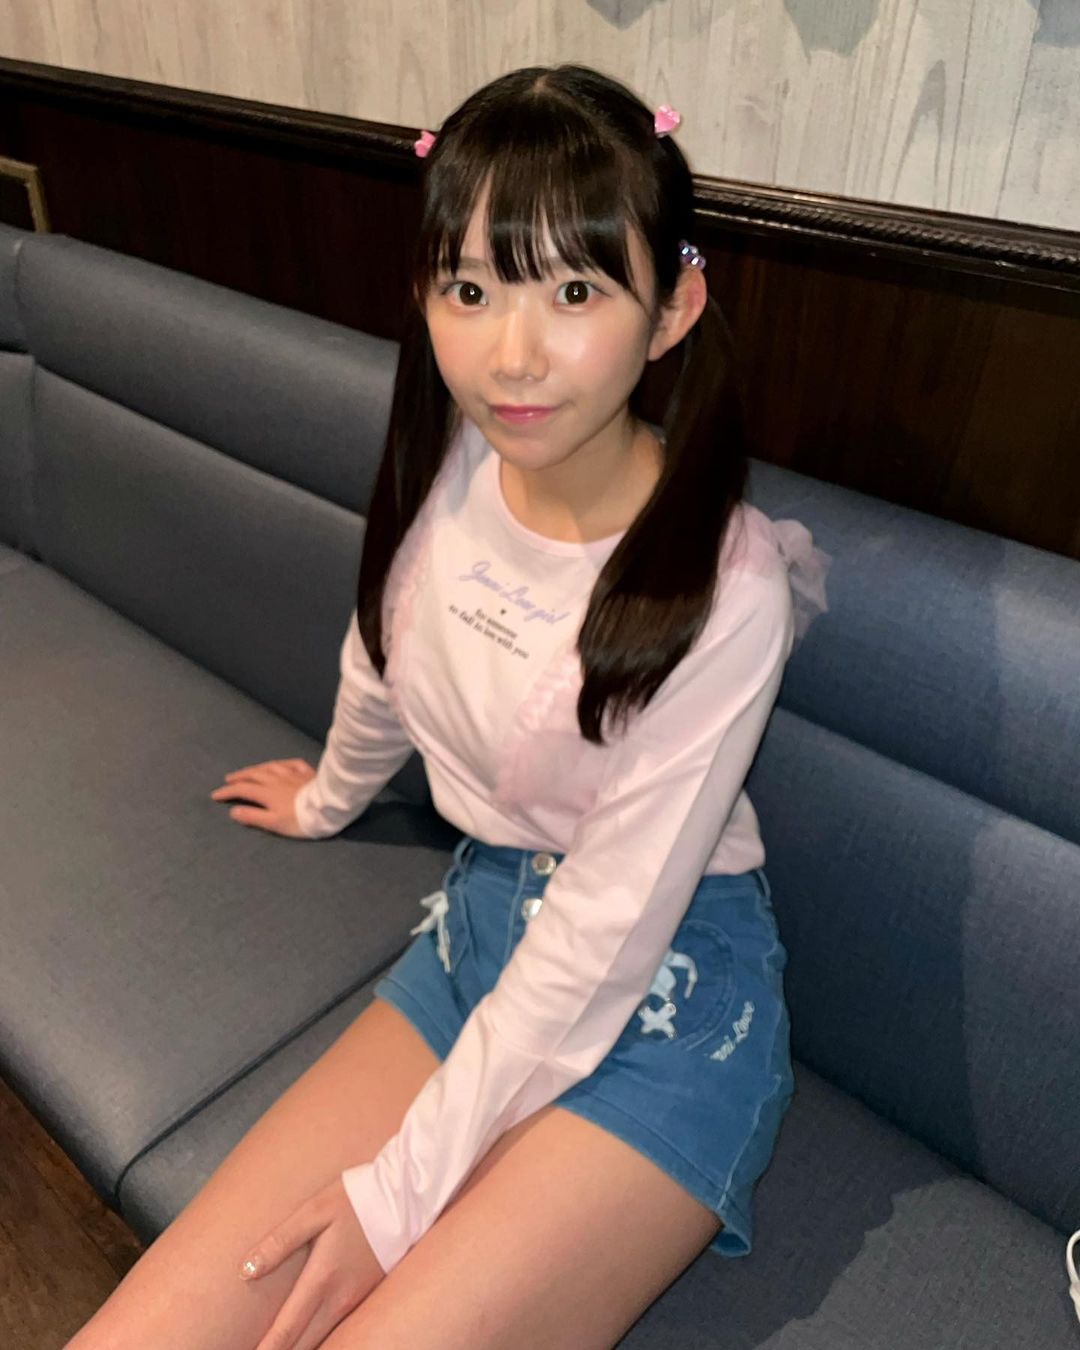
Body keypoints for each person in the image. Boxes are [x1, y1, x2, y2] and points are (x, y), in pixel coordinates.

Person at [69, 63, 831, 1350]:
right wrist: (329, 795)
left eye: (575, 291)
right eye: (470, 290)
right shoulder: (461, 455)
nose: (510, 355)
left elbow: (603, 937)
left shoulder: (728, 588)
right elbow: (387, 650)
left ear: (672, 308)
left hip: (663, 991)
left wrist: (397, 1195)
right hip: (483, 936)